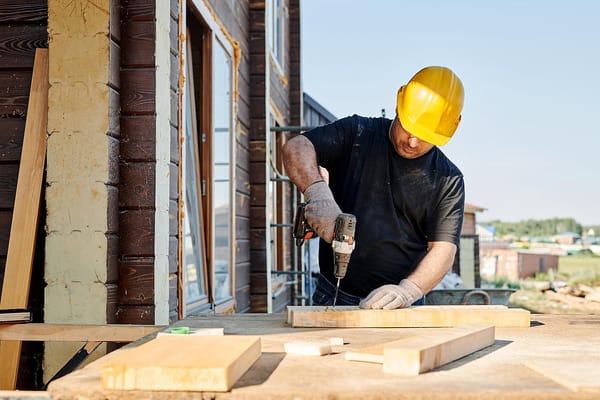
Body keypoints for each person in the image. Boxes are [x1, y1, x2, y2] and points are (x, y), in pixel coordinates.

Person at [282, 66, 465, 310]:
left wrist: (408, 290)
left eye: (424, 136)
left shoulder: (448, 179)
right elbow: (297, 147)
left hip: (399, 304)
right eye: (409, 128)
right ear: (398, 107)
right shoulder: (357, 133)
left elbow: (443, 251)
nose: (412, 141)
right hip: (335, 294)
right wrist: (317, 194)